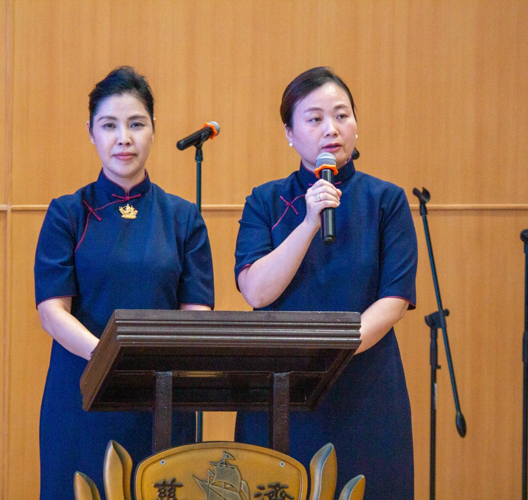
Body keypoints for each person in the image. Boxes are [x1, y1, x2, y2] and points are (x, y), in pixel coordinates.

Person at [234, 67, 417, 498]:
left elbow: (393, 299)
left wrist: (333, 353)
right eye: (314, 119)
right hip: (280, 385)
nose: (331, 129)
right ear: (290, 134)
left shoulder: (386, 200)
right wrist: (308, 224)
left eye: (342, 115)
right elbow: (257, 291)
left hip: (364, 386)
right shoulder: (265, 200)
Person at [34, 66, 214, 500]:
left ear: (153, 130)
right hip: (83, 388)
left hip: (164, 393)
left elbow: (197, 311)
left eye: (136, 124)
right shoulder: (68, 212)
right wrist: (107, 355)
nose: (124, 138)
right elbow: (52, 310)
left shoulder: (183, 216)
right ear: (91, 133)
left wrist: (149, 360)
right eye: (109, 125)